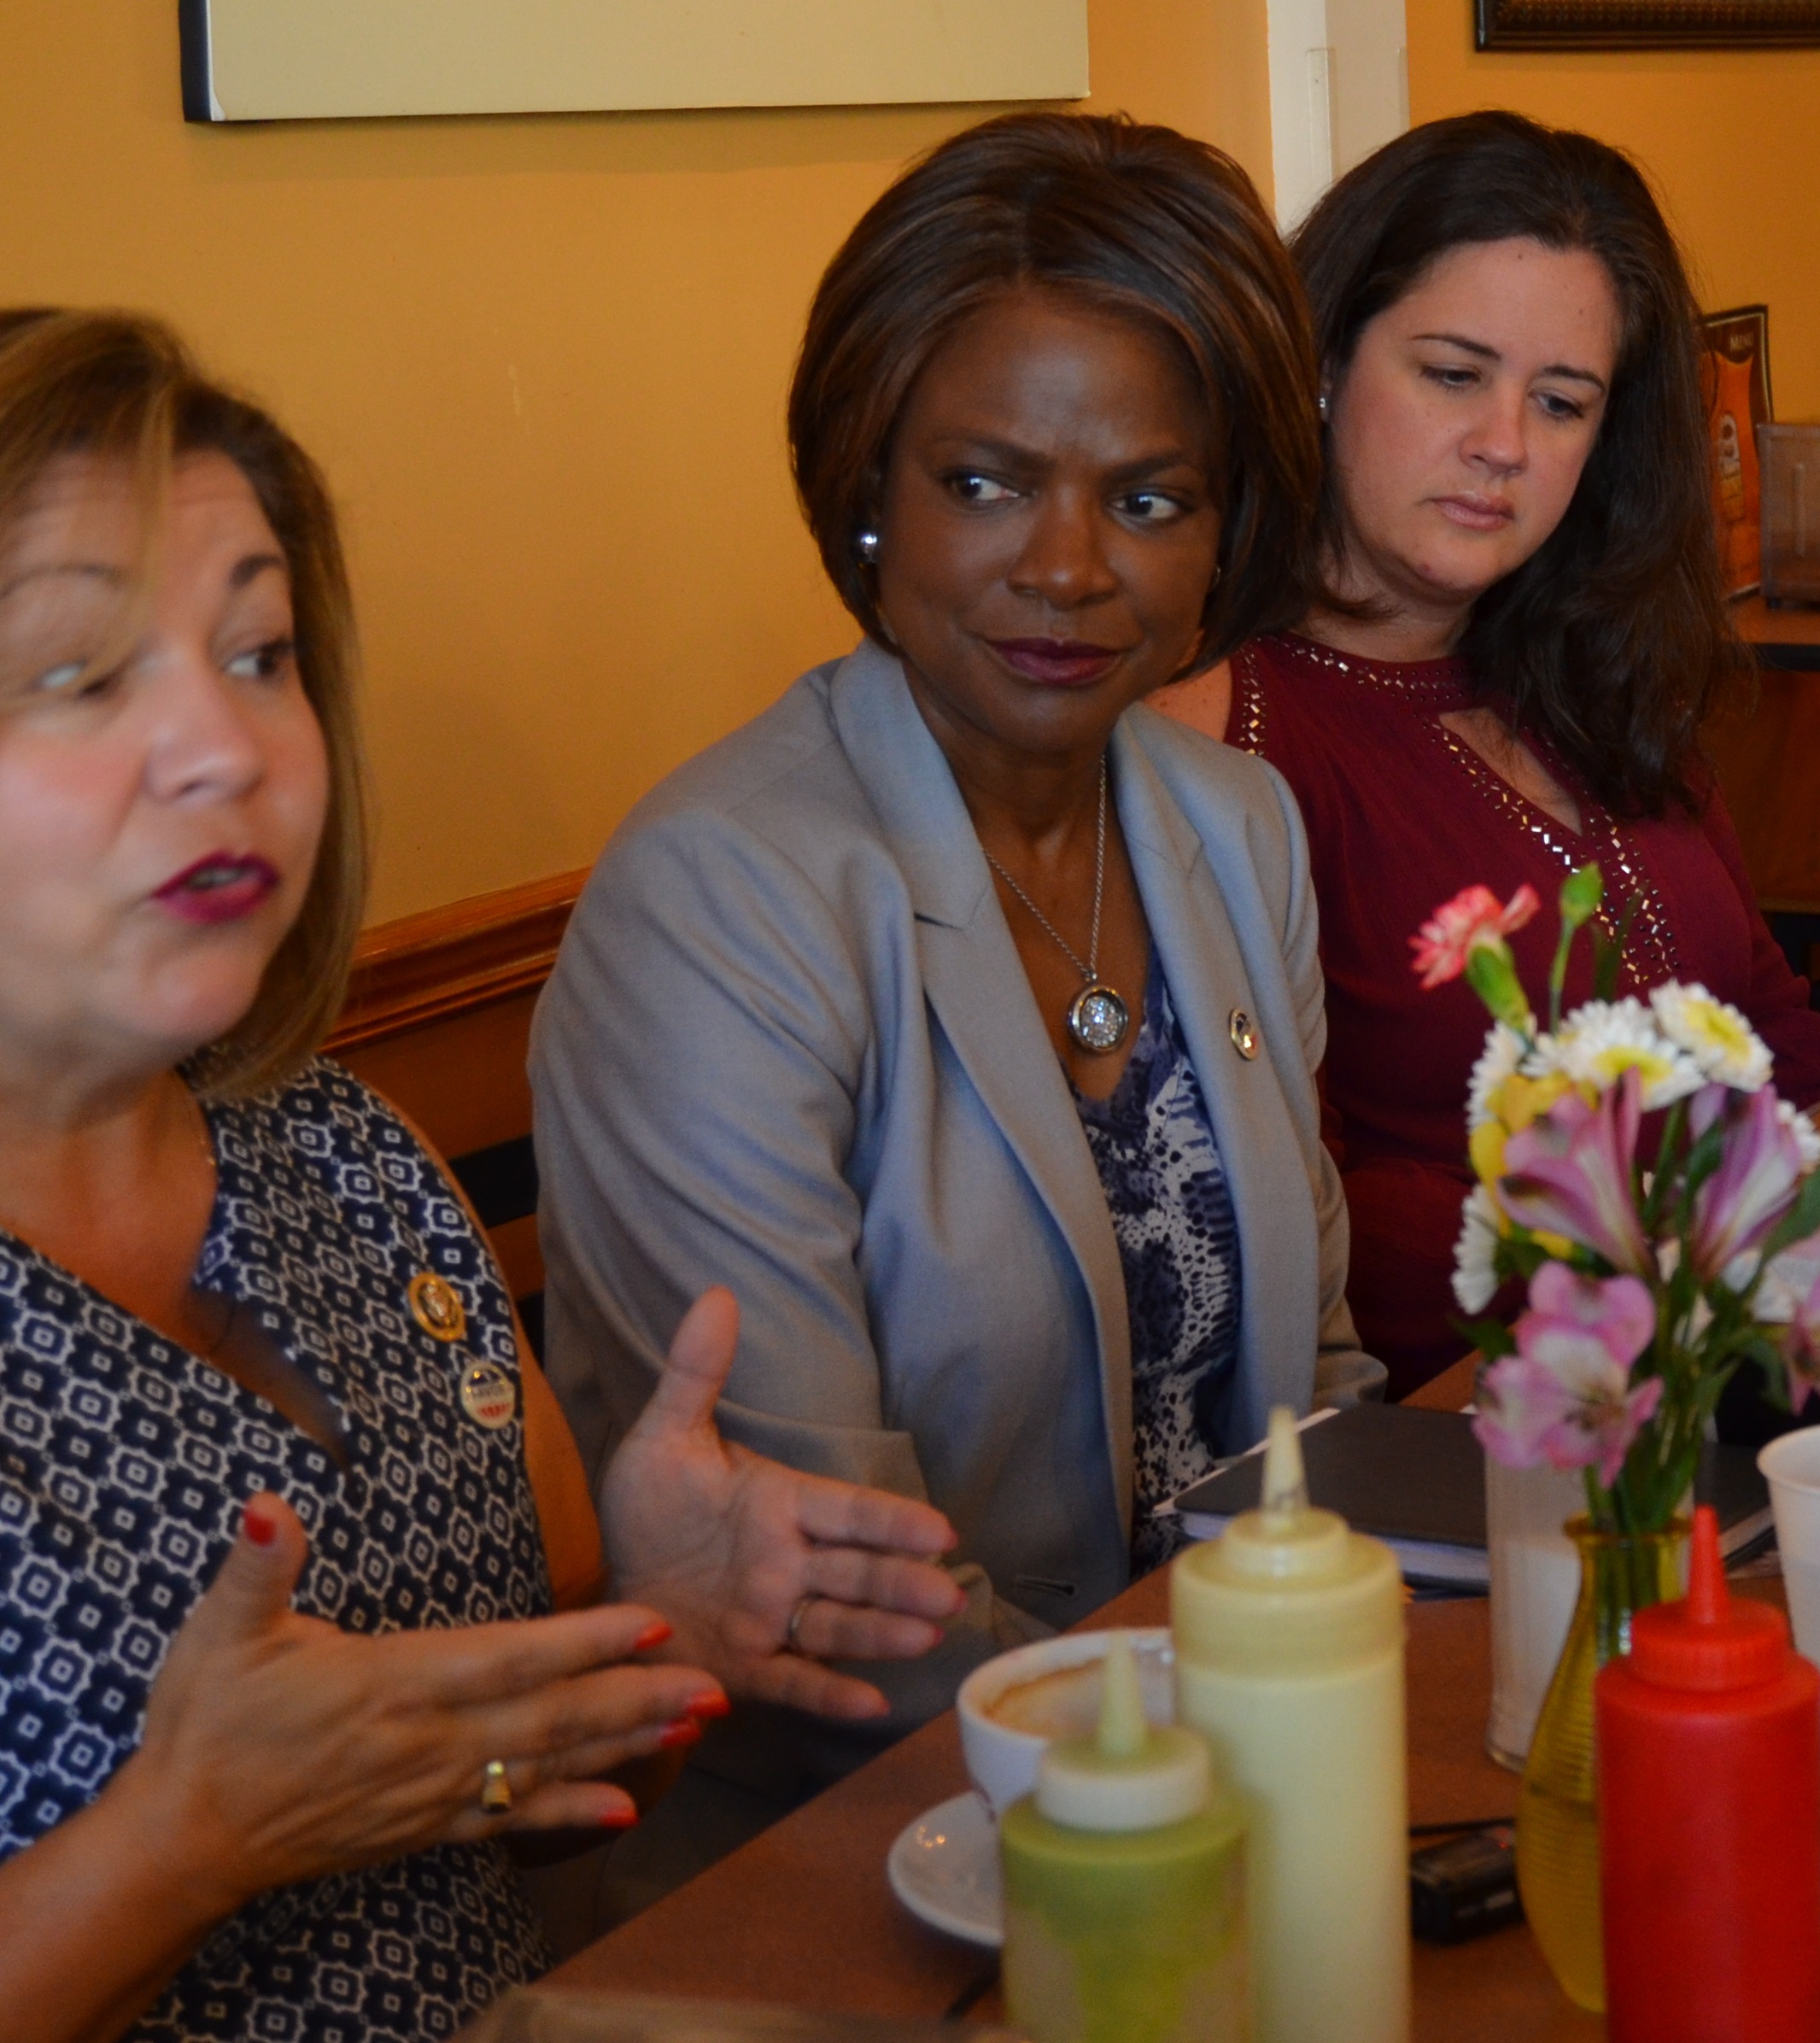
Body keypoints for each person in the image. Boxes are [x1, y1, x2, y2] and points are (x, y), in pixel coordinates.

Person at [0, 309, 965, 2043]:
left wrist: (651, 1621)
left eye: (257, 653)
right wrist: (177, 1848)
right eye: (79, 677)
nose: (230, 749)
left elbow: (485, 1799)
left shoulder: (324, 1148)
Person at [530, 112, 1378, 1893]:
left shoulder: (1233, 828)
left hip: (1241, 1786)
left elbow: (1310, 1392)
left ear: (1224, 534)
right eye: (984, 480)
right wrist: (1209, 1773)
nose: (1065, 567)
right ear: (866, 483)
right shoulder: (722, 896)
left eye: (1148, 499)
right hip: (844, 1865)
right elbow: (839, 1592)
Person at [1151, 112, 1820, 1396]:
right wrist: (1681, 1261)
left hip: (1759, 1355)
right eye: (1450, 372)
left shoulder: (1594, 666)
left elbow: (1766, 1023)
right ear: (1319, 363)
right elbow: (1297, 1223)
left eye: (1561, 401)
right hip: (1481, 1438)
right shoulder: (1223, 734)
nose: (1506, 443)